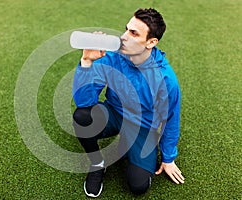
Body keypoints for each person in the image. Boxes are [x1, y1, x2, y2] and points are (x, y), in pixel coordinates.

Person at [72, 8, 185, 198]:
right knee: (82, 116)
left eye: (134, 33)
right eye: (126, 29)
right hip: (115, 113)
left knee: (138, 186)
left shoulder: (165, 79)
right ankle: (97, 163)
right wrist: (86, 62)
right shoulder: (112, 57)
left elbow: (171, 119)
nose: (124, 37)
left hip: (142, 126)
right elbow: (85, 101)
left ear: (151, 42)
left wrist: (168, 157)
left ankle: (129, 145)